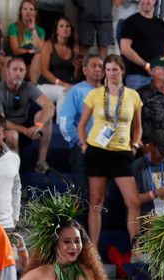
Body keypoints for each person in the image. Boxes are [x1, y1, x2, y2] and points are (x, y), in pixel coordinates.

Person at [77, 53, 143, 249]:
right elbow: (82, 124)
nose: (111, 73)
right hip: (98, 149)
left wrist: (135, 145)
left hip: (122, 151)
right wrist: (83, 144)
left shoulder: (133, 95)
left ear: (122, 71)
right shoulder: (95, 94)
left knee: (134, 202)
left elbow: (138, 127)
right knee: (96, 200)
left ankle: (136, 248)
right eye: (108, 70)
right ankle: (94, 249)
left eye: (115, 69)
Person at [0, 56, 55, 172]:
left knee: (46, 118)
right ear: (7, 72)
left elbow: (50, 106)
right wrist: (24, 130)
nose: (18, 73)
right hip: (2, 130)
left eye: (21, 70)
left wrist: (38, 126)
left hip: (25, 128)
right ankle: (13, 172)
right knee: (12, 135)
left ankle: (41, 162)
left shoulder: (28, 87)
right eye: (15, 69)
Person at [58, 53, 103, 201]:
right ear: (84, 70)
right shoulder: (76, 91)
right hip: (82, 151)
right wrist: (81, 143)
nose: (98, 69)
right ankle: (79, 225)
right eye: (94, 66)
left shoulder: (110, 92)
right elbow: (65, 123)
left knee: (102, 199)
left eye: (101, 66)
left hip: (105, 151)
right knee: (83, 196)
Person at [118, 0, 164, 89]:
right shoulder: (130, 22)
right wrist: (146, 65)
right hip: (136, 76)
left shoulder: (162, 25)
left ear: (155, 1)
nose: (146, 2)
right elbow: (125, 49)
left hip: (158, 78)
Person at [132, 128, 164, 216]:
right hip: (146, 214)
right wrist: (155, 193)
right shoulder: (136, 167)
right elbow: (132, 200)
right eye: (162, 152)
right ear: (151, 146)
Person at [35, 16, 78, 105]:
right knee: (64, 93)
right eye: (61, 26)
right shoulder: (48, 45)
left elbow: (76, 77)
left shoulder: (75, 48)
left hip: (67, 83)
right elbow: (44, 71)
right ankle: (60, 119)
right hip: (46, 85)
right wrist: (61, 83)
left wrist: (77, 68)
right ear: (57, 30)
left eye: (67, 26)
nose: (65, 29)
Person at [6, 0, 43, 77]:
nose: (28, 12)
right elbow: (16, 50)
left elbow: (40, 48)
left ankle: (34, 86)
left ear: (35, 12)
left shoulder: (39, 30)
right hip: (18, 59)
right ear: (21, 11)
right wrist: (32, 51)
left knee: (38, 57)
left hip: (33, 60)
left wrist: (33, 29)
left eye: (31, 9)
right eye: (25, 9)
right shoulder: (13, 27)